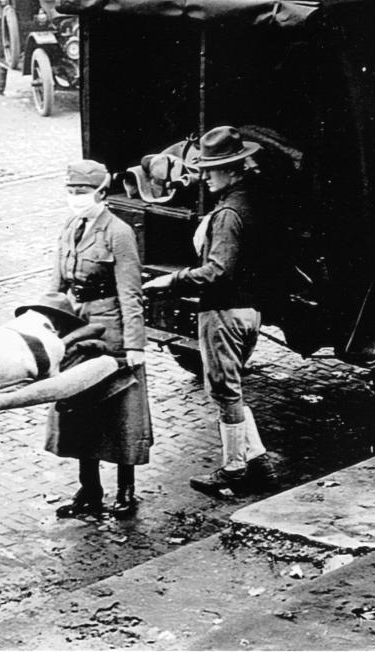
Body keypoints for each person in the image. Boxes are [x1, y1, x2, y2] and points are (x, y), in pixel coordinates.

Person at [144, 125, 277, 497]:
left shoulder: (228, 215)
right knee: (231, 390)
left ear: (233, 169)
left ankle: (234, 470)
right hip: (250, 311)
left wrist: (170, 282)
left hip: (223, 313)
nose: (204, 176)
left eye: (212, 169)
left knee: (224, 393)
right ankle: (260, 462)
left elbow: (217, 270)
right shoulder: (251, 200)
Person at [46, 159, 151, 520]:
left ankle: (126, 490)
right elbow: (56, 282)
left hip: (110, 332)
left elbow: (131, 293)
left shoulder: (118, 232)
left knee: (119, 412)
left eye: (83, 192)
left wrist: (135, 345)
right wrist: (46, 321)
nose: (76, 198)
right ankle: (89, 490)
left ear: (102, 193)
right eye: (71, 191)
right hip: (75, 327)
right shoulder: (70, 226)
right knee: (78, 407)